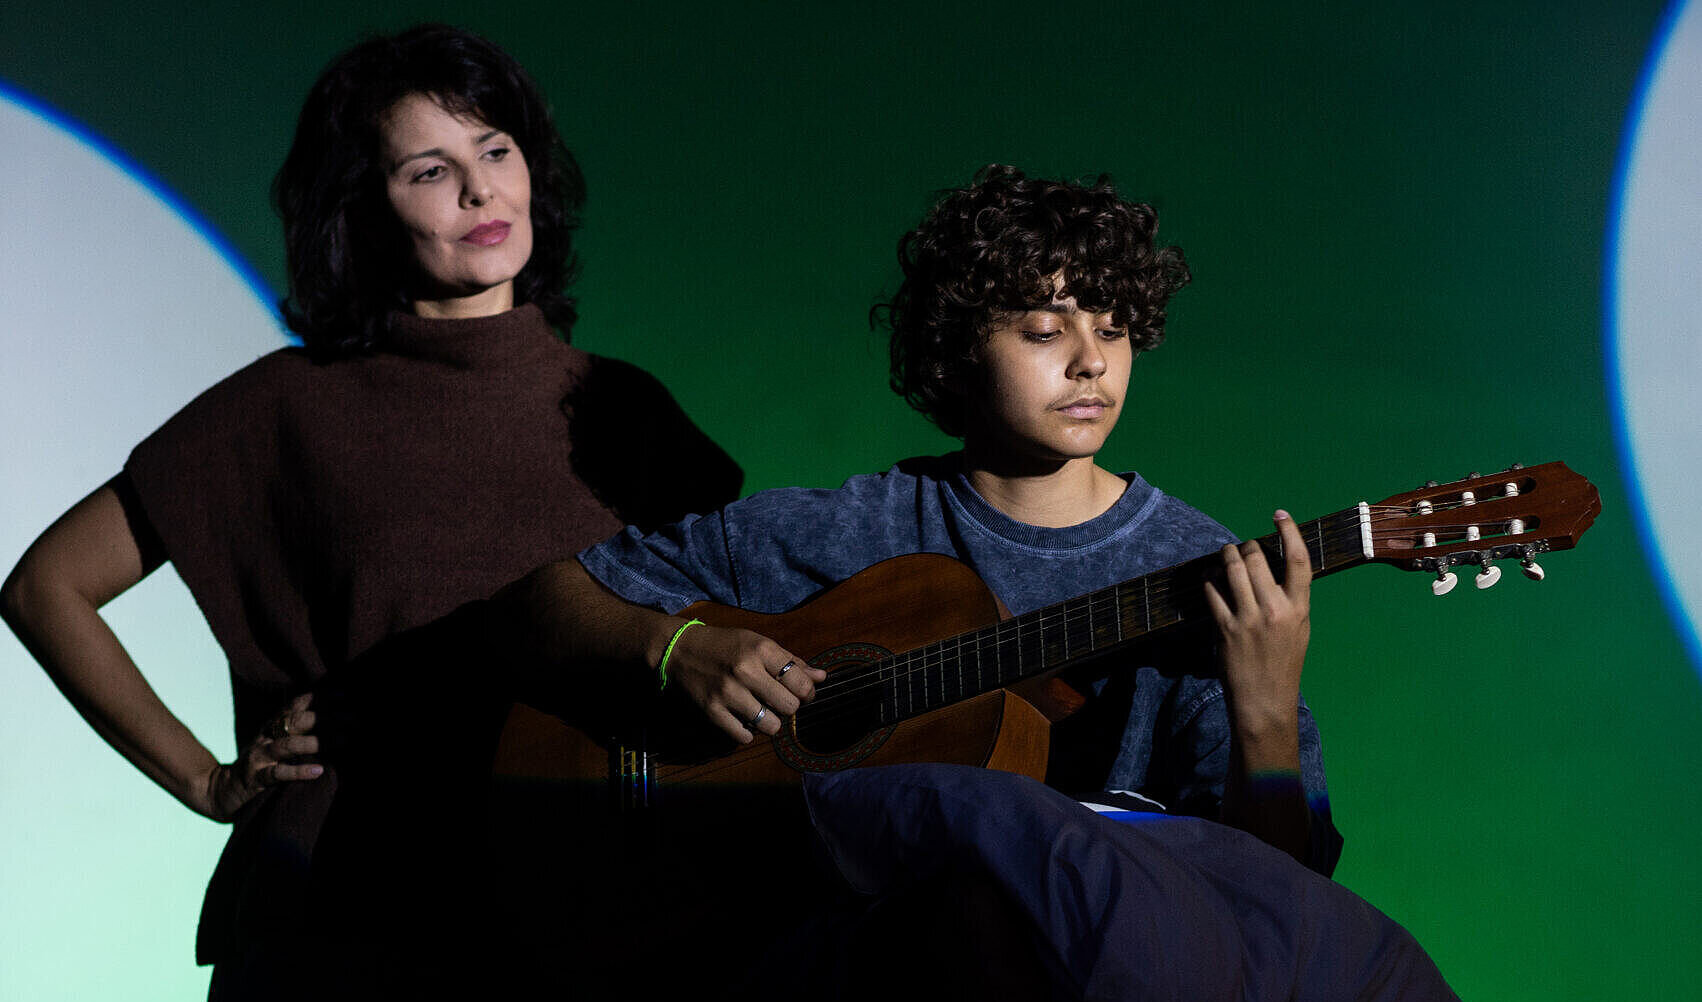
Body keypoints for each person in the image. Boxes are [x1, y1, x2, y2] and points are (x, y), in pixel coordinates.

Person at [497, 165, 1456, 999]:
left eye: (1115, 328)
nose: (1091, 360)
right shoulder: (861, 527)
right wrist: (676, 650)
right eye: (1044, 330)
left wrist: (1265, 702)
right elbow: (545, 605)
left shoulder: (1197, 566)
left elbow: (1276, 912)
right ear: (957, 349)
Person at [0, 24, 739, 999]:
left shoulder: (627, 410)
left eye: (496, 150)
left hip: (581, 907)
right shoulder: (285, 407)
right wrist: (206, 780)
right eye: (430, 170)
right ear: (361, 208)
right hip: (345, 911)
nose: (478, 191)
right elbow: (46, 586)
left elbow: (730, 642)